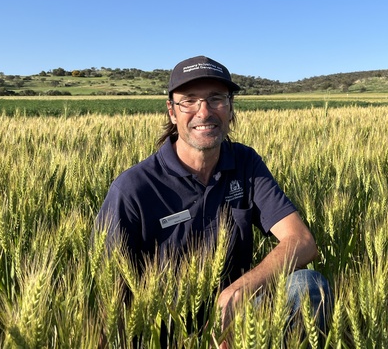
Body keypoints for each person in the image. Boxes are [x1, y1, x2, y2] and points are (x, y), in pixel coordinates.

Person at [95, 55, 332, 346]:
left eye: (216, 99)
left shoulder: (244, 163)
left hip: (236, 322)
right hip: (163, 334)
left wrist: (237, 294)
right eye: (189, 100)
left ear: (230, 108)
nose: (204, 111)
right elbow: (109, 297)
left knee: (308, 286)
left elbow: (302, 241)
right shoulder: (132, 189)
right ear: (172, 112)